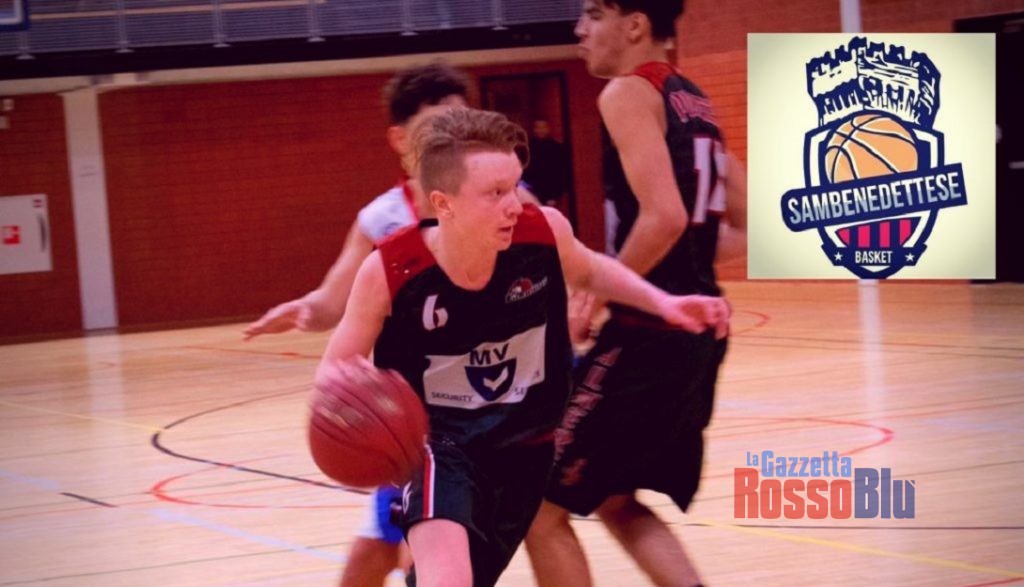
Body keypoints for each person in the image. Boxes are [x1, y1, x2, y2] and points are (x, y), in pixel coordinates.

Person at [315, 107, 729, 587]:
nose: (514, 204)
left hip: (526, 446)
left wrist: (665, 303)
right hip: (441, 449)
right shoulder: (392, 271)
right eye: (496, 193)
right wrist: (355, 417)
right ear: (444, 204)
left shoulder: (542, 232)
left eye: (514, 186)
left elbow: (590, 269)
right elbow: (336, 371)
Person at [524, 2, 740, 586]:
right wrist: (684, 263)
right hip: (699, 332)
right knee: (617, 500)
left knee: (538, 503)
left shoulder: (626, 92)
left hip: (649, 335)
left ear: (636, 24)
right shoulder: (695, 101)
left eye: (595, 13)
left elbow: (665, 216)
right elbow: (746, 227)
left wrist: (599, 291)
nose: (580, 29)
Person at [244, 63, 470, 587]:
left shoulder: (498, 199)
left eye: (462, 122)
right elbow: (333, 299)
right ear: (399, 139)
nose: (453, 136)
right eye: (437, 124)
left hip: (482, 408)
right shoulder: (382, 218)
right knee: (375, 555)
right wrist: (304, 309)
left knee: (422, 549)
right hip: (413, 415)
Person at [521, 118, 569, 207]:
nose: (540, 130)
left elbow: (561, 172)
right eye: (537, 127)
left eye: (543, 127)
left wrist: (555, 195)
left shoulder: (557, 148)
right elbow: (524, 170)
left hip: (551, 192)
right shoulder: (527, 148)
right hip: (531, 191)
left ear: (548, 128)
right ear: (534, 129)